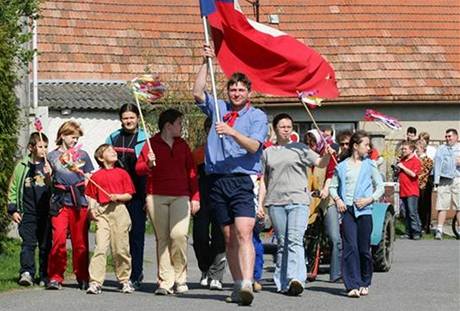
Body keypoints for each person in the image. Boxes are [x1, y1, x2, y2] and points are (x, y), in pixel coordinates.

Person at [192, 46, 268, 305]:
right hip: (217, 179)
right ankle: (237, 284)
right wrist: (205, 61)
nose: (236, 93)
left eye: (241, 90)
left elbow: (255, 146)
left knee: (243, 231)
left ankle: (247, 282)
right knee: (227, 237)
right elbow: (197, 92)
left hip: (242, 178)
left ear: (249, 93)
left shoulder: (257, 116)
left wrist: (232, 132)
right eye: (232, 89)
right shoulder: (219, 107)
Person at [258, 113, 331, 296]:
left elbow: (320, 163)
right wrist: (260, 204)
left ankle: (296, 278)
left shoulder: (301, 149)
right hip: (275, 202)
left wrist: (327, 155)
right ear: (275, 129)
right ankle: (282, 281)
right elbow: (264, 181)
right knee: (282, 243)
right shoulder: (268, 152)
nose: (286, 129)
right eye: (282, 126)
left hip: (298, 200)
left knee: (295, 239)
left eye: (289, 126)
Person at [136, 108, 200, 295]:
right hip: (156, 196)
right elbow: (139, 169)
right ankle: (165, 281)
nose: (182, 126)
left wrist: (196, 197)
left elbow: (192, 172)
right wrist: (147, 163)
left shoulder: (183, 145)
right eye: (179, 123)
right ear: (168, 125)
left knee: (179, 235)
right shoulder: (150, 144)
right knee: (162, 238)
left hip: (181, 195)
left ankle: (181, 278)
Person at [329, 130, 384, 298]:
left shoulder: (370, 165)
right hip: (348, 211)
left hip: (365, 211)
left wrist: (369, 199)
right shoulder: (342, 166)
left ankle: (364, 281)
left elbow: (380, 187)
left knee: (363, 249)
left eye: (369, 145)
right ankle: (351, 284)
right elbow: (332, 186)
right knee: (350, 248)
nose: (368, 148)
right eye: (366, 145)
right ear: (355, 146)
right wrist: (338, 200)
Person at [47, 121, 94, 290]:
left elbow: (88, 178)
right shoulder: (51, 156)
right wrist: (47, 174)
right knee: (58, 239)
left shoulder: (83, 155)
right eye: (72, 137)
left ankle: (82, 275)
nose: (74, 140)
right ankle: (55, 276)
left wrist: (90, 202)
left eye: (77, 138)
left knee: (80, 242)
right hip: (60, 201)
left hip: (79, 201)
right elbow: (48, 181)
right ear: (62, 136)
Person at [106, 104, 147, 288]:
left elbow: (150, 169)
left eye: (131, 117)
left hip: (138, 194)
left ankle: (136, 274)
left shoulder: (145, 139)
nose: (128, 121)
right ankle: (123, 274)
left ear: (138, 118)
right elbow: (104, 159)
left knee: (136, 236)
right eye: (125, 118)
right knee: (119, 237)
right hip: (117, 193)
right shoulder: (114, 138)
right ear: (121, 119)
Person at [85, 144, 136, 295]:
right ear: (101, 158)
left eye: (113, 150)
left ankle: (124, 280)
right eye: (109, 151)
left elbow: (129, 195)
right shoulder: (95, 176)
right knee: (100, 247)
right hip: (102, 212)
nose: (113, 152)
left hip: (119, 210)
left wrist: (118, 196)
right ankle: (95, 282)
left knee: (121, 248)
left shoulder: (122, 173)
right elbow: (92, 197)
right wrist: (91, 210)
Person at [7, 132, 52, 287]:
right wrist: (13, 209)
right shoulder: (22, 166)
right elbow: (13, 187)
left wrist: (49, 176)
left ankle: (45, 274)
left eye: (46, 147)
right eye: (40, 147)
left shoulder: (49, 164)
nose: (44, 150)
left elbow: (53, 187)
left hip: (46, 212)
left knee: (45, 245)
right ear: (31, 147)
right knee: (28, 243)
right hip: (27, 212)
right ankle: (27, 272)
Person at [192, 118, 226, 290]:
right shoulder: (198, 153)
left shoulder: (228, 151)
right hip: (202, 200)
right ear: (206, 131)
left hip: (222, 199)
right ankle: (205, 268)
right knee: (200, 237)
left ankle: (216, 275)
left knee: (220, 239)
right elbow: (191, 178)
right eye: (209, 128)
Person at [319, 129, 352, 283]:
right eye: (343, 143)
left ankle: (350, 271)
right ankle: (336, 274)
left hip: (351, 202)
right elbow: (330, 175)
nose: (345, 146)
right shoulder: (334, 157)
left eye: (348, 143)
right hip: (332, 200)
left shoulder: (357, 161)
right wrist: (326, 189)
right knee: (335, 238)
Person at [433, 128, 460, 240]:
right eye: (446, 136)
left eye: (450, 136)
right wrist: (436, 181)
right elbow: (437, 165)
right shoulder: (441, 149)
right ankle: (439, 230)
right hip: (444, 179)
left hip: (458, 179)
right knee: (442, 205)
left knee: (459, 206)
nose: (448, 138)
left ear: (456, 137)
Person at [398, 141, 422, 239]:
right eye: (402, 149)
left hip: (412, 191)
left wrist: (403, 167)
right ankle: (408, 232)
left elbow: (413, 174)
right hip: (403, 190)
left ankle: (416, 231)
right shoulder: (402, 160)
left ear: (411, 150)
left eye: (405, 149)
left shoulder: (416, 161)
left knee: (412, 212)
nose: (403, 151)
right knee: (406, 213)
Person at [415, 139, 434, 234]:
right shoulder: (414, 159)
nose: (416, 150)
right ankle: (417, 225)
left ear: (423, 148)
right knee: (417, 206)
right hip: (415, 186)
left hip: (425, 185)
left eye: (418, 148)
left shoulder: (428, 160)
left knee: (425, 206)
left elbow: (425, 172)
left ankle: (425, 226)